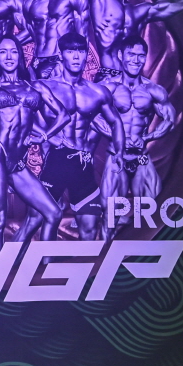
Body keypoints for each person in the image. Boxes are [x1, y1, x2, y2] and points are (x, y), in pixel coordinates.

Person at [0, 37, 68, 254]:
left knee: (53, 213)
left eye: (13, 51)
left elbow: (63, 115)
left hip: (17, 163)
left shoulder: (34, 87)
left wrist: (44, 136)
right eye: (3, 52)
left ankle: (18, 261)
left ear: (20, 55)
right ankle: (1, 272)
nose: (9, 57)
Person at [32, 32, 125, 241]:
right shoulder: (47, 88)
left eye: (81, 51)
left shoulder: (98, 92)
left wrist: (119, 152)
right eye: (70, 51)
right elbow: (24, 119)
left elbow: (116, 122)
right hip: (55, 163)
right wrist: (48, 138)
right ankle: (32, 259)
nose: (76, 56)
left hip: (83, 164)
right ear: (61, 54)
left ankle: (86, 264)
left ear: (86, 55)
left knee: (90, 228)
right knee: (39, 221)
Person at [95, 35, 176, 235]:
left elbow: (170, 119)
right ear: (120, 55)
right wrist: (117, 136)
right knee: (110, 215)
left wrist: (148, 138)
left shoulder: (153, 90)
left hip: (141, 157)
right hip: (117, 156)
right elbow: (93, 116)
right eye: (131, 54)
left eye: (141, 56)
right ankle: (104, 253)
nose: (136, 60)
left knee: (152, 217)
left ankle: (146, 254)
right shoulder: (108, 88)